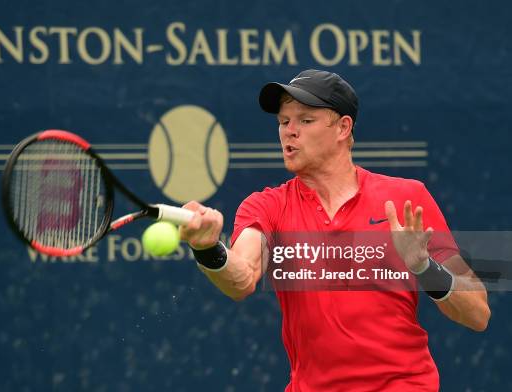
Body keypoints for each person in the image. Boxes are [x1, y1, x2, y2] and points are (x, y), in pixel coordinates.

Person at [180, 69, 490, 391]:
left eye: (305, 120)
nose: (290, 132)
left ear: (343, 127)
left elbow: (478, 314)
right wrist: (208, 248)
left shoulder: (406, 199)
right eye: (284, 122)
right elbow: (241, 278)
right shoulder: (266, 206)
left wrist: (424, 268)